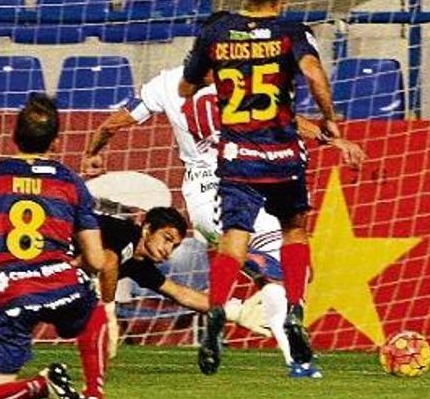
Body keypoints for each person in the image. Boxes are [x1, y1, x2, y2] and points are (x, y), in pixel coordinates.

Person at [81, 70, 362, 375]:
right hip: (242, 181)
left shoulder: (164, 83)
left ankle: (298, 361)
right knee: (284, 267)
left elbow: (116, 122)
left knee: (294, 275)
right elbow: (284, 121)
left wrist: (93, 151)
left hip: (207, 197)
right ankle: (254, 266)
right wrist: (328, 138)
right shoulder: (242, 79)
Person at [179, 0, 363, 376]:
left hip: (237, 156)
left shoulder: (217, 30)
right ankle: (295, 308)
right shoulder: (291, 32)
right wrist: (330, 121)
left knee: (233, 239)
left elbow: (187, 87)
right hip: (282, 154)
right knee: (294, 230)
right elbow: (315, 76)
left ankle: (217, 311)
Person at [0, 206, 271, 364]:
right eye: (166, 239)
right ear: (147, 228)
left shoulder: (135, 262)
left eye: (175, 245)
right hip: (20, 247)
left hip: (34, 269)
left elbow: (181, 294)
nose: (168, 250)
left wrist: (230, 309)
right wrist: (109, 314)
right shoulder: (119, 235)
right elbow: (100, 263)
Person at [0, 94, 106, 399]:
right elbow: (96, 260)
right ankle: (95, 392)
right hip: (63, 287)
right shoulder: (70, 182)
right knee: (92, 305)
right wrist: (64, 267)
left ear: (14, 134)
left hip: (9, 294)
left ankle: (42, 385)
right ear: (55, 141)